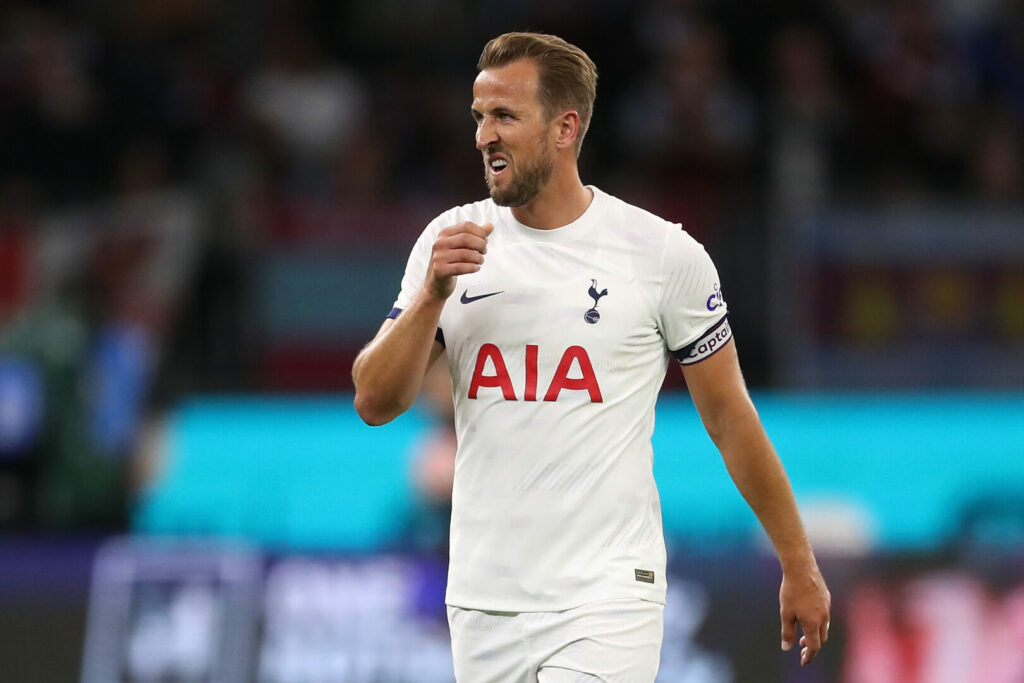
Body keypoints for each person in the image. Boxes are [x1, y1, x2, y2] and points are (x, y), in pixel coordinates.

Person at [352, 31, 830, 683]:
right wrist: (431, 297)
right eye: (479, 117)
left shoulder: (661, 255)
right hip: (482, 599)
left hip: (607, 597)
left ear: (564, 128)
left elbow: (729, 416)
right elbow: (374, 401)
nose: (484, 136)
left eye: (505, 116)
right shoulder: (450, 241)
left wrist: (798, 562)